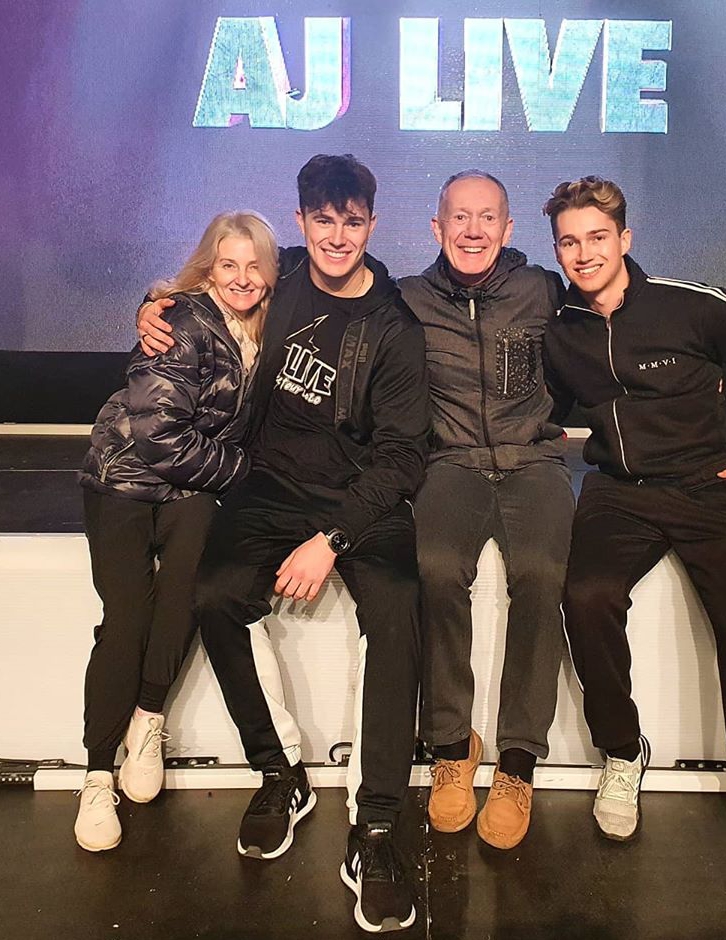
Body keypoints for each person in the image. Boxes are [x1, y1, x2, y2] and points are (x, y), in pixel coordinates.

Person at [138, 154, 430, 933]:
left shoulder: (394, 327)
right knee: (213, 595)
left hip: (361, 497)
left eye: (354, 220)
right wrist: (153, 304)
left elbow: (403, 457)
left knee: (400, 607)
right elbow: (204, 283)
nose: (338, 235)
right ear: (302, 224)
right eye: (324, 220)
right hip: (268, 487)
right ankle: (281, 775)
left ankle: (373, 827)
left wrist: (332, 539)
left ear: (372, 223)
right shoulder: (286, 274)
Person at [541, 176, 726, 908]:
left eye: (596, 237)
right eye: (568, 240)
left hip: (706, 487)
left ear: (624, 239)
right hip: (616, 493)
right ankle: (622, 752)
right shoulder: (561, 328)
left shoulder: (693, 303)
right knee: (584, 596)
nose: (582, 252)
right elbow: (530, 406)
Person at [76, 211, 278, 852]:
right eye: (228, 265)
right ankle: (96, 772)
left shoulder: (266, 318)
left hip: (193, 485)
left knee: (189, 588)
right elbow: (158, 436)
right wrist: (244, 472)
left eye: (255, 265)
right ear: (209, 268)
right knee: (127, 616)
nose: (243, 278)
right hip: (127, 477)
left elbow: (344, 264)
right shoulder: (183, 318)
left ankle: (148, 717)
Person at [398, 171, 575, 850]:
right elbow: (314, 276)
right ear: (436, 228)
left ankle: (518, 762)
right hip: (451, 464)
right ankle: (451, 746)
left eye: (487, 218)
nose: (473, 231)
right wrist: (164, 296)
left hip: (532, 462)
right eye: (459, 218)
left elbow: (619, 289)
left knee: (539, 573)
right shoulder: (406, 298)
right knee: (436, 569)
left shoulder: (542, 291)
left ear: (507, 229)